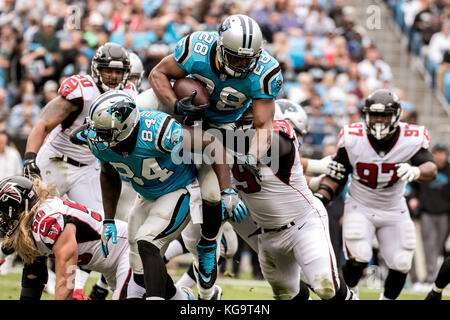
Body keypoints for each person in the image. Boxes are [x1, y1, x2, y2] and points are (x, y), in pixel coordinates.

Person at [148, 14, 282, 298]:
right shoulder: (197, 47)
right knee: (141, 103)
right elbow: (157, 74)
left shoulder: (265, 71)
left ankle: (208, 244)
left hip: (222, 128)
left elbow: (264, 125)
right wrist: (175, 103)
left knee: (212, 194)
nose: (243, 65)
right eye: (236, 57)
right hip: (182, 115)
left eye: (248, 59)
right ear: (220, 46)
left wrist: (251, 157)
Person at [77, 90, 246, 300]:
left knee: (148, 242)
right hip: (146, 194)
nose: (98, 137)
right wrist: (109, 219)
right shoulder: (100, 142)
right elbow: (108, 173)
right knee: (139, 267)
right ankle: (185, 301)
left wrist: (226, 188)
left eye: (104, 132)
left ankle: (208, 248)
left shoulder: (157, 130)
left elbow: (211, 143)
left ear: (125, 127)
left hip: (179, 188)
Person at [20, 42, 137, 300]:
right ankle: (29, 284)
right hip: (56, 161)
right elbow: (43, 123)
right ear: (97, 70)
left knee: (94, 229)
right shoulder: (81, 90)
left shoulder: (129, 94)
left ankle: (79, 288)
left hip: (90, 167)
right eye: (108, 70)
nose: (114, 76)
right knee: (32, 222)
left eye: (118, 72)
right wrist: (30, 159)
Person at [313, 89, 438, 300]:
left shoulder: (410, 138)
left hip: (393, 207)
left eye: (385, 115)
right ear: (366, 115)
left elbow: (431, 168)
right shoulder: (353, 137)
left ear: (396, 115)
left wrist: (416, 171)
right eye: (375, 115)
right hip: (360, 205)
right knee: (359, 255)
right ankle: (349, 295)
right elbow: (338, 173)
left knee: (401, 262)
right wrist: (322, 197)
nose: (379, 120)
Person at [228, 105, 355, 300]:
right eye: (245, 111)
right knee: (288, 295)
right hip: (268, 234)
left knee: (326, 287)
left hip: (303, 224)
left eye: (253, 111)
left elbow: (271, 147)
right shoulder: (227, 142)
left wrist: (214, 135)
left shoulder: (280, 133)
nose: (249, 117)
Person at [0, 175, 146, 300]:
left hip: (128, 249)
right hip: (110, 265)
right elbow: (33, 279)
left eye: (5, 214)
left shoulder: (49, 223)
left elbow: (65, 284)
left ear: (21, 208)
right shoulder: (34, 224)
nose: (3, 221)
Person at [408, 142, 450, 289]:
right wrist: (414, 199)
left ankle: (435, 276)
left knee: (439, 248)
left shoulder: (449, 170)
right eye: (437, 153)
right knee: (429, 245)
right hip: (427, 213)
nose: (440, 156)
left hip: (444, 215)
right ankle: (430, 278)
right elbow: (414, 186)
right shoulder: (427, 169)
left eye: (443, 153)